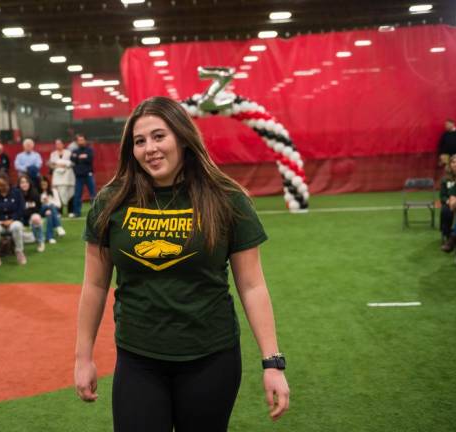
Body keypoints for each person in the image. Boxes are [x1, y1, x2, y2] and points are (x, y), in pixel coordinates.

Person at [74, 97, 290, 430]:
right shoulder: (111, 201)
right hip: (138, 359)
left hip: (211, 358)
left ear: (182, 137)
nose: (150, 149)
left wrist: (272, 363)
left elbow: (252, 285)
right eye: (140, 141)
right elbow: (95, 284)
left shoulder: (226, 198)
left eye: (159, 136)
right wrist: (83, 357)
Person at [0, 172, 26, 266]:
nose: (1, 188)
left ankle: (19, 251)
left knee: (17, 227)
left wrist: (12, 219)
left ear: (8, 182)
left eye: (3, 185)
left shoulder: (17, 193)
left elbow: (21, 210)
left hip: (13, 221)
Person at [48, 138, 76, 216]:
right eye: (56, 144)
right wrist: (57, 165)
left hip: (68, 176)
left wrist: (65, 164)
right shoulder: (53, 154)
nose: (58, 145)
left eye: (60, 143)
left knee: (70, 193)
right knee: (58, 194)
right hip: (57, 177)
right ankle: (59, 212)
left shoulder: (69, 153)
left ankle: (70, 211)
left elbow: (73, 163)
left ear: (63, 144)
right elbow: (51, 165)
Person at [18, 175, 45, 252]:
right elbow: (16, 209)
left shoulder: (35, 193)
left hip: (31, 216)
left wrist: (25, 209)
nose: (24, 184)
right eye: (22, 182)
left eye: (26, 182)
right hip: (19, 217)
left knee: (36, 218)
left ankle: (40, 242)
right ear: (19, 184)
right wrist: (26, 208)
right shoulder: (16, 194)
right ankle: (18, 247)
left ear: (29, 183)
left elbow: (37, 209)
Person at [70, 133, 96, 217]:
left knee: (93, 194)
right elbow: (73, 159)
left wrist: (79, 158)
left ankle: (96, 212)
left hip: (88, 175)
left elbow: (89, 159)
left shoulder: (89, 150)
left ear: (85, 140)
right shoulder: (74, 151)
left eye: (82, 140)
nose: (80, 141)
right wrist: (81, 157)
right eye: (79, 140)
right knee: (77, 195)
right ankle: (76, 212)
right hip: (79, 176)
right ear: (77, 142)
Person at [441, 154, 456, 252]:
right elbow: (443, 196)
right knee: (446, 211)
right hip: (453, 203)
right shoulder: (447, 180)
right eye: (454, 162)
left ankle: (453, 238)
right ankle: (448, 235)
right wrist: (449, 201)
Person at [39, 175, 65, 243]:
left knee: (49, 213)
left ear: (48, 183)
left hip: (51, 210)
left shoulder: (53, 191)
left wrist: (49, 201)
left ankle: (49, 237)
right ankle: (58, 226)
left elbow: (59, 205)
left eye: (45, 184)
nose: (43, 186)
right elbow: (38, 206)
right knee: (50, 206)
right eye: (41, 184)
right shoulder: (38, 193)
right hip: (41, 210)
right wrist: (43, 202)